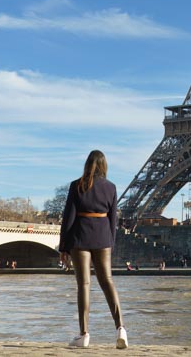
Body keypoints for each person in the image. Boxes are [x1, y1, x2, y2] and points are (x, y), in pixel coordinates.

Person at [59, 150, 128, 349]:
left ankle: (84, 334)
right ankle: (120, 327)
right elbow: (113, 219)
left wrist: (64, 247)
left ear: (87, 164)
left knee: (84, 285)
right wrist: (111, 242)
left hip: (80, 237)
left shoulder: (76, 185)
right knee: (107, 282)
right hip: (103, 237)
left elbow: (68, 219)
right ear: (104, 165)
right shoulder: (111, 187)